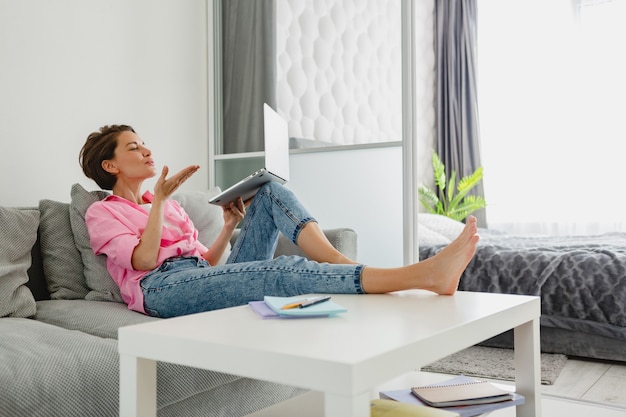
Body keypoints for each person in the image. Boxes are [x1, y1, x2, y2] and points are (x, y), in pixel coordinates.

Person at [79, 124, 479, 318]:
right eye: (134, 146)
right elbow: (146, 262)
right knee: (282, 271)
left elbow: (209, 264)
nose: (146, 149)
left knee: (269, 192)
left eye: (144, 142)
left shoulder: (164, 204)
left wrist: (230, 223)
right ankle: (420, 276)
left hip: (194, 277)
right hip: (161, 290)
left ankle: (339, 263)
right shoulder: (102, 211)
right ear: (110, 164)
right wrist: (161, 203)